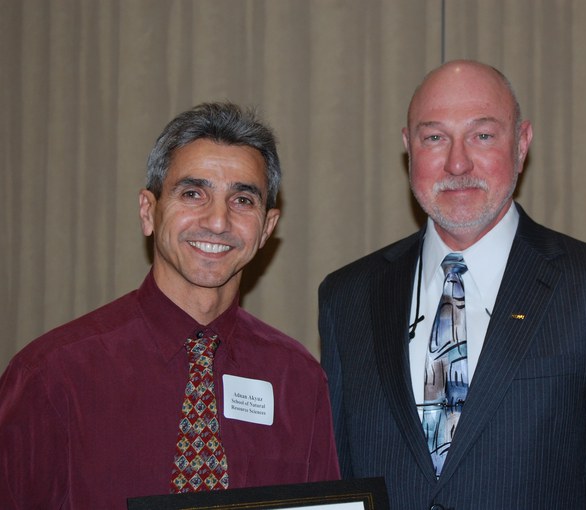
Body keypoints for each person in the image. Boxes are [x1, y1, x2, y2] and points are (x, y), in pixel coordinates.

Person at [319, 60, 586, 509]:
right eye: (434, 138)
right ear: (408, 147)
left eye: (482, 136)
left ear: (522, 144)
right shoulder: (346, 297)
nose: (457, 162)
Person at [0, 102, 340, 508]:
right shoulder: (52, 374)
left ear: (266, 228)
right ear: (149, 211)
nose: (218, 221)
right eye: (193, 194)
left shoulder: (297, 381)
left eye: (243, 200)